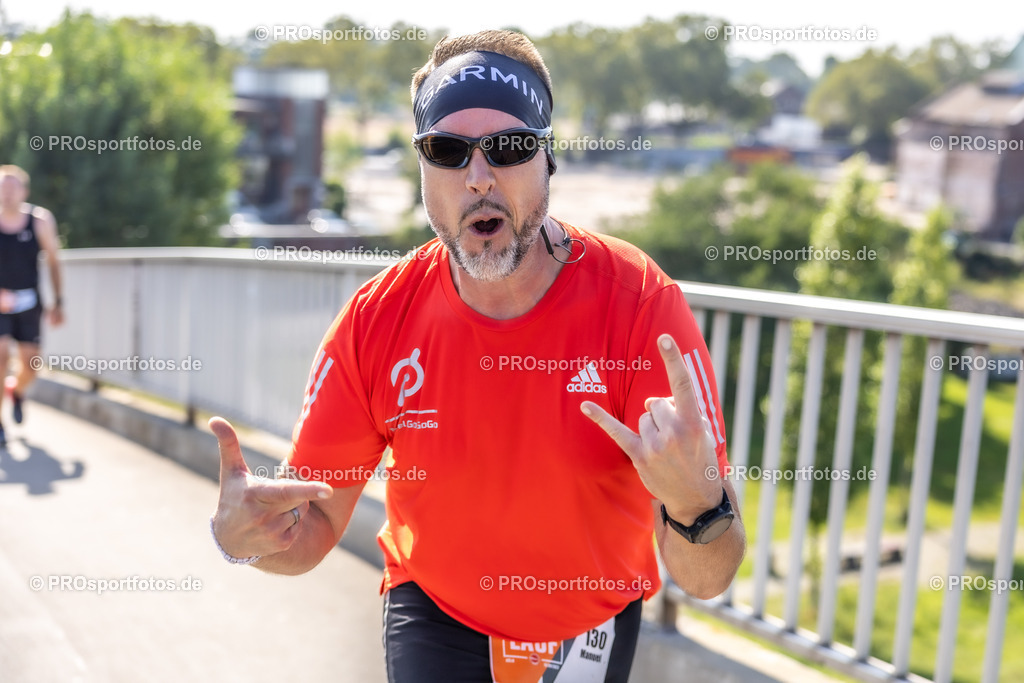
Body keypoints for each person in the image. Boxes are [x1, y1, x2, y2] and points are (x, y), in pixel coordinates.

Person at [210, 30, 745, 682]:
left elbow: (709, 575)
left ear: (548, 159)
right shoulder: (377, 320)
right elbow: (313, 523)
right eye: (448, 150)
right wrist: (247, 541)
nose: (480, 176)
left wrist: (697, 505)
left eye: (511, 147)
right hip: (436, 613)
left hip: (588, 628)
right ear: (423, 171)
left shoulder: (639, 305)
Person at [0, 165, 64, 445]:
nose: (7, 193)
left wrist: (58, 302)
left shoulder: (39, 221)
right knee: (1, 356)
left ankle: (15, 390)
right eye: (2, 187)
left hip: (29, 301)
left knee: (31, 364)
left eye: (12, 188)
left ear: (24, 192)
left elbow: (53, 261)